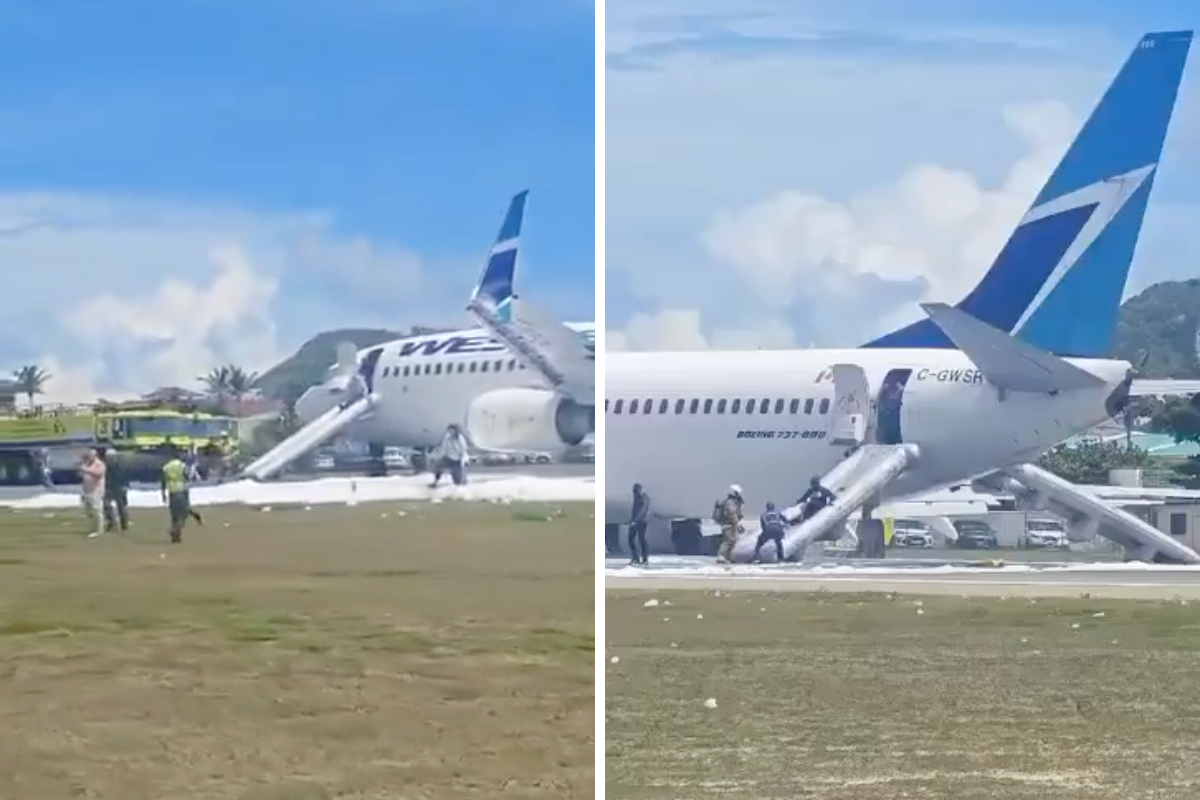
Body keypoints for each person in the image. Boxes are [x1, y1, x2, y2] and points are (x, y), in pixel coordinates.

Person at [161, 447, 203, 544]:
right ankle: (175, 531)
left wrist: (163, 493)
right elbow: (188, 476)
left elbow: (163, 481)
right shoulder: (182, 466)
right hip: (182, 490)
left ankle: (175, 534)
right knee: (183, 514)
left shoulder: (166, 467)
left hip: (172, 492)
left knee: (174, 515)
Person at [100, 448, 130, 533]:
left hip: (119, 487)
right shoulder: (105, 465)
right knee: (106, 505)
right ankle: (111, 523)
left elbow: (125, 476)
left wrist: (125, 486)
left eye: (109, 456)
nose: (107, 458)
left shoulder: (121, 465)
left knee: (121, 507)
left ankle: (124, 525)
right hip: (109, 487)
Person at [79, 449, 107, 539]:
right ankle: (94, 527)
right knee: (88, 510)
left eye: (90, 456)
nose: (89, 457)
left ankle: (99, 530)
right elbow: (81, 475)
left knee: (96, 510)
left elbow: (98, 474)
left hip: (96, 490)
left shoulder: (99, 464)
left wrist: (86, 470)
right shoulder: (87, 464)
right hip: (87, 490)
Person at [715, 484, 745, 564]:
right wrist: (738, 524)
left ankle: (728, 557)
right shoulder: (730, 502)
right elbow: (732, 514)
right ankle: (721, 556)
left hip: (732, 524)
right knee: (728, 540)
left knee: (733, 541)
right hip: (728, 524)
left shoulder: (732, 502)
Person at [628, 483, 650, 566]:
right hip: (635, 521)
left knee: (641, 540)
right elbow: (635, 510)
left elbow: (642, 510)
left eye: (635, 490)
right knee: (631, 539)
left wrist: (635, 520)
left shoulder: (643, 497)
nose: (634, 492)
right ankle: (636, 558)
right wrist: (632, 520)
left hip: (641, 522)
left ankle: (644, 559)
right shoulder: (637, 497)